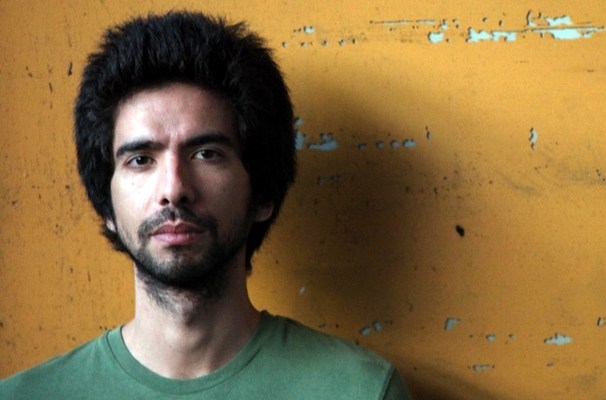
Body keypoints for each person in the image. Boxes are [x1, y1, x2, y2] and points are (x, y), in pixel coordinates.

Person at [0, 11, 412, 399]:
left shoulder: (360, 390)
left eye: (207, 154)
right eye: (140, 160)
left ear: (262, 194)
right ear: (106, 205)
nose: (174, 189)